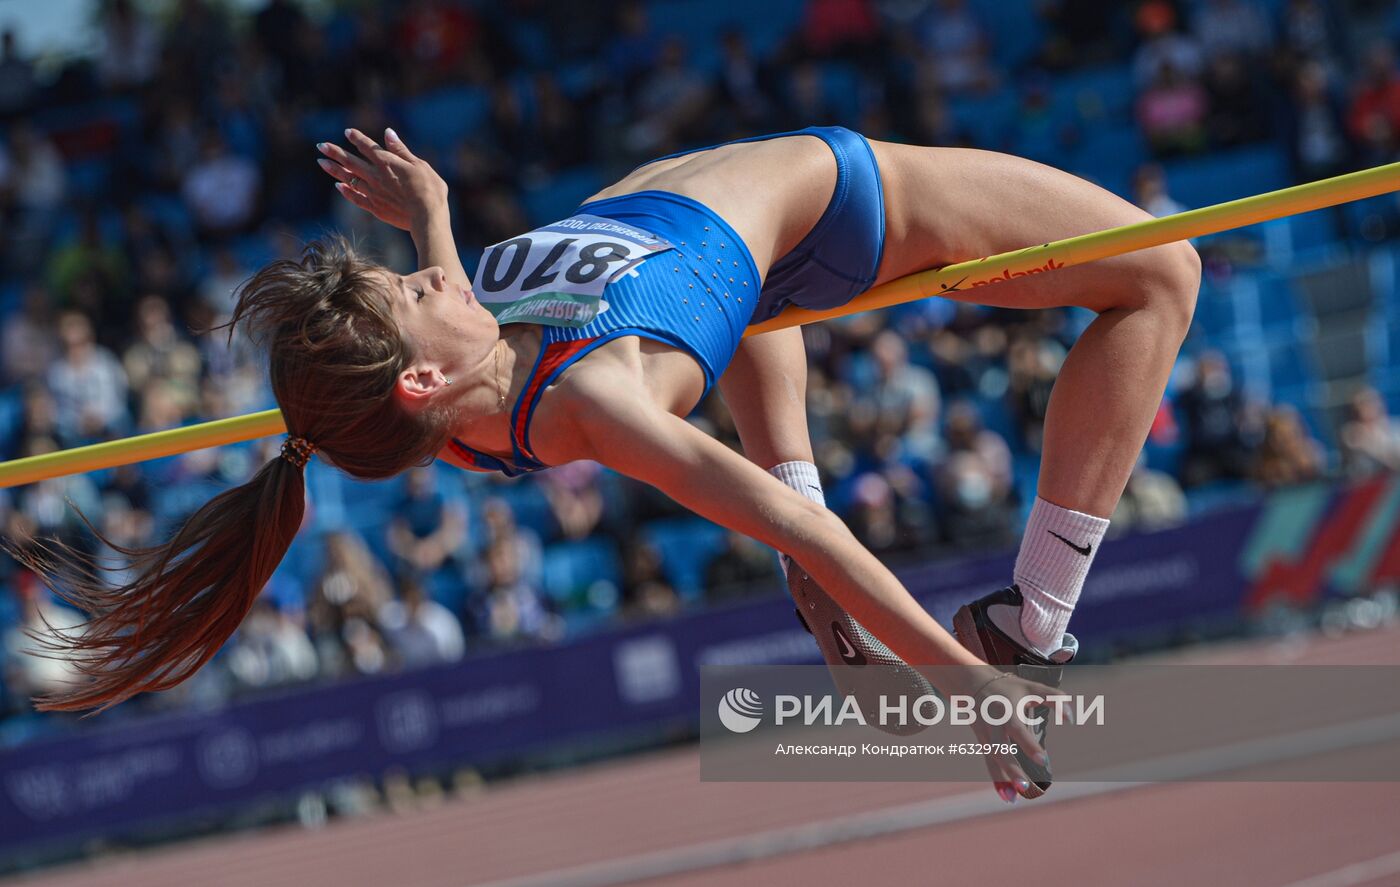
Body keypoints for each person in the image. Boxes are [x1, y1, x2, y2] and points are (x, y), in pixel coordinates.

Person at [15, 125, 1200, 804]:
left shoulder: (463, 392)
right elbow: (820, 545)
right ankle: (1033, 622)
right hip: (844, 200)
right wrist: (964, 685)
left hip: (747, 272)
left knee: (752, 344)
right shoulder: (593, 396)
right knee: (1162, 272)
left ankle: (962, 590)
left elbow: (495, 323)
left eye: (416, 269)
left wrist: (426, 214)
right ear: (419, 379)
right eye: (419, 287)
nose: (438, 270)